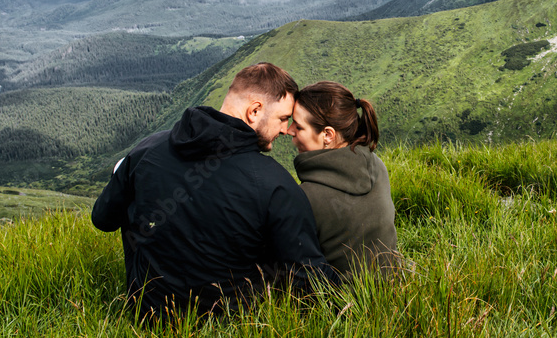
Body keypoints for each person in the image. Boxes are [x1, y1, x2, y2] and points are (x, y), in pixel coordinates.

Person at [91, 62, 333, 322]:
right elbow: (309, 278)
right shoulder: (275, 183)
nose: (286, 130)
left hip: (148, 315)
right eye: (283, 118)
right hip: (230, 330)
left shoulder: (146, 151)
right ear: (254, 111)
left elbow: (103, 219)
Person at [286, 81, 401, 280]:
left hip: (343, 304)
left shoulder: (306, 197)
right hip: (396, 287)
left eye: (299, 126)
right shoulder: (377, 166)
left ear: (327, 135)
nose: (289, 130)